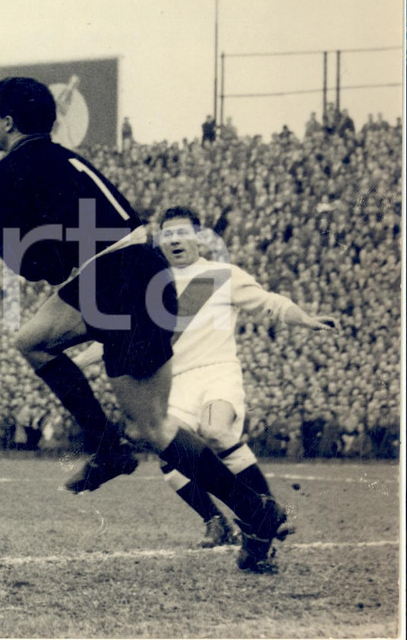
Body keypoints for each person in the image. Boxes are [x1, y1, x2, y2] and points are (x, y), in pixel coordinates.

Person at [0, 77, 290, 573]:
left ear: (8, 122)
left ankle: (252, 508)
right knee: (32, 341)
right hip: (134, 268)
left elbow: (28, 265)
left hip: (114, 279)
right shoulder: (68, 159)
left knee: (154, 426)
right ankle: (112, 452)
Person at [75, 206, 338, 560]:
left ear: (199, 237)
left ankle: (270, 514)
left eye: (182, 233)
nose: (175, 241)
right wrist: (74, 364)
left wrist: (303, 318)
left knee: (216, 431)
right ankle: (215, 520)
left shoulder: (222, 274)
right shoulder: (151, 286)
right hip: (175, 382)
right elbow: (116, 336)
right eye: (167, 235)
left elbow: (270, 303)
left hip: (218, 373)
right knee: (166, 448)